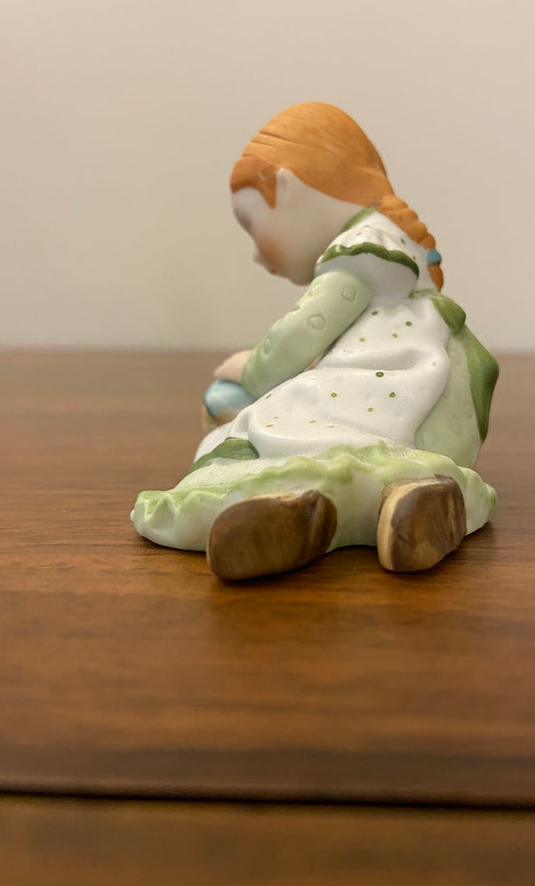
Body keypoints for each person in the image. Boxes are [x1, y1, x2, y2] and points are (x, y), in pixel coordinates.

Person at [132, 102, 498, 580]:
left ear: (287, 187)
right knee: (378, 458)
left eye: (252, 224)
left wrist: (254, 370)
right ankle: (415, 499)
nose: (256, 254)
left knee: (269, 428)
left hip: (391, 382)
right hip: (440, 405)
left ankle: (289, 507)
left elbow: (306, 328)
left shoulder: (361, 248)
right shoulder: (400, 249)